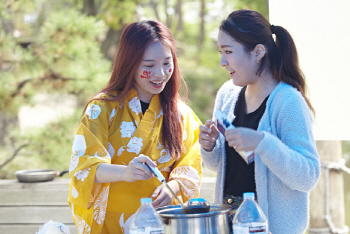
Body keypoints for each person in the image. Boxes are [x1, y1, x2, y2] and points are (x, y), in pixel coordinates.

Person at [68, 20, 202, 234]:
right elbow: (84, 167)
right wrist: (126, 172)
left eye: (167, 63)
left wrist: (173, 186)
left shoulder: (181, 114)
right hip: (112, 224)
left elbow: (193, 162)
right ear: (129, 64)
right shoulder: (101, 109)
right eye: (149, 66)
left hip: (162, 223)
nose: (160, 73)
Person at [199, 9, 320, 234]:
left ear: (258, 52)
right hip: (227, 226)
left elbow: (308, 177)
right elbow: (220, 166)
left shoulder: (288, 101)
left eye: (228, 51)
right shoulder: (227, 95)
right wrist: (209, 147)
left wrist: (263, 143)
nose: (222, 62)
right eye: (220, 52)